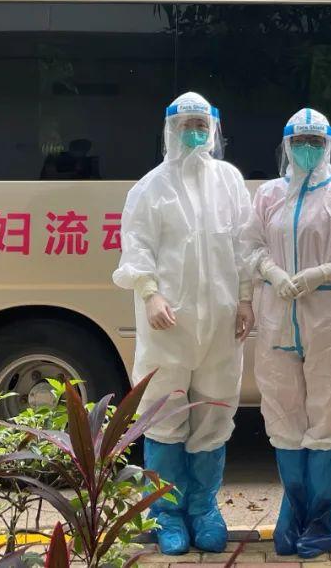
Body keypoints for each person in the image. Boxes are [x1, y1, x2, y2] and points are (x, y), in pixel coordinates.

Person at [113, 92, 254, 555]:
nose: (193, 132)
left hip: (221, 323)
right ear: (170, 130)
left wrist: (246, 299)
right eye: (185, 125)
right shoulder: (150, 187)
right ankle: (167, 514)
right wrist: (149, 292)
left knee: (214, 412)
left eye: (200, 124)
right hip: (168, 325)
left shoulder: (229, 181)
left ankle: (204, 509)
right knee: (164, 416)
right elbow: (136, 246)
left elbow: (243, 245)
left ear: (213, 128)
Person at [242, 108, 331, 558]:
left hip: (327, 321)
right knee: (283, 414)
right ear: (286, 145)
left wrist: (324, 272)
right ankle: (294, 510)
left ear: (328, 145)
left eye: (315, 142)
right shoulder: (268, 196)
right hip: (278, 316)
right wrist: (272, 271)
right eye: (299, 141)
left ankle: (324, 516)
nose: (307, 149)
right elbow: (250, 245)